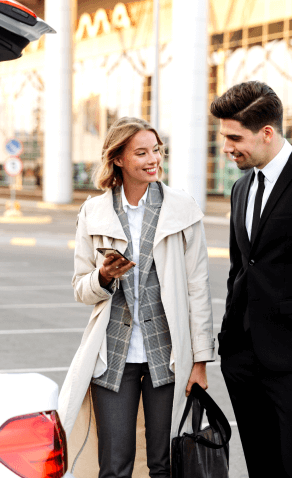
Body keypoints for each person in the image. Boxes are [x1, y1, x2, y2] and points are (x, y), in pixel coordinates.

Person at [58, 117, 215, 478]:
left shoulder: (182, 209)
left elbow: (198, 289)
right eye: (141, 152)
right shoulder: (93, 212)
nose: (153, 159)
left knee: (164, 464)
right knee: (114, 466)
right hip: (112, 356)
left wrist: (201, 361)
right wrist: (103, 276)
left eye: (156, 151)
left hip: (170, 356)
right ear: (118, 159)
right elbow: (81, 287)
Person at [210, 81, 292, 478]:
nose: (226, 147)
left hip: (290, 360)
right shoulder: (241, 189)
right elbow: (239, 268)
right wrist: (229, 344)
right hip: (244, 359)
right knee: (261, 465)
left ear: (267, 133)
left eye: (234, 137)